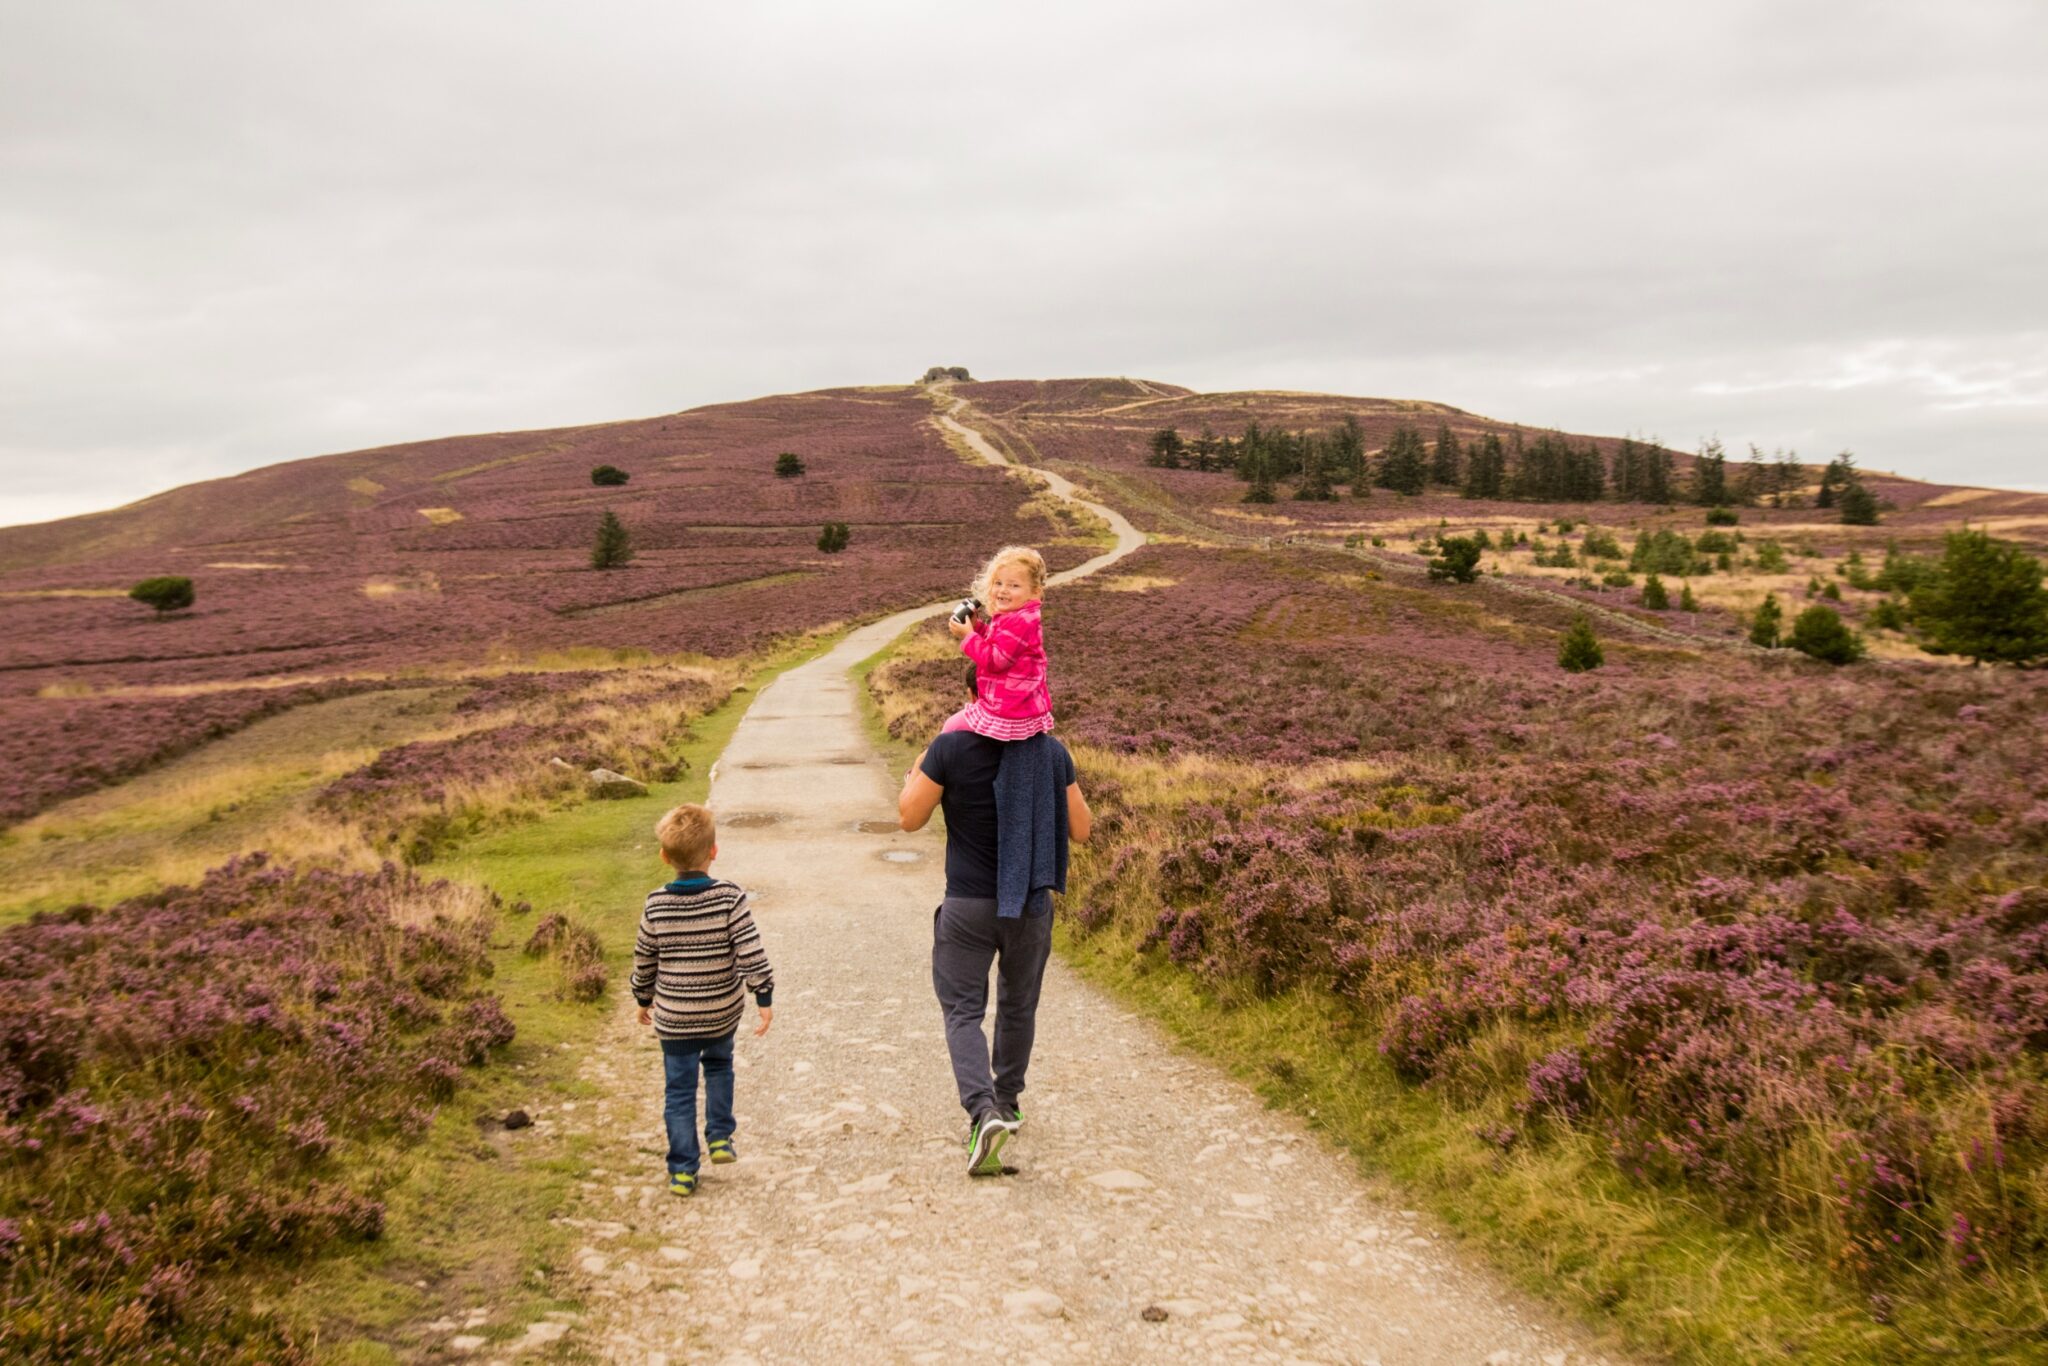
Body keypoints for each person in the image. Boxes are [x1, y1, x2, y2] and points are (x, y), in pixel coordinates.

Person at [899, 710, 1092, 1176]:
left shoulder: (950, 749)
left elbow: (909, 817)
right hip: (1030, 905)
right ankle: (1006, 1103)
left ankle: (982, 1113)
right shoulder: (1051, 753)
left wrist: (922, 762)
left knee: (962, 1010)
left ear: (974, 696)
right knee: (1018, 1005)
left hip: (968, 905)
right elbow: (1082, 830)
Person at [630, 803, 775, 1197]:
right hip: (720, 1013)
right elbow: (750, 949)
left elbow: (645, 957)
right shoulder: (729, 896)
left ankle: (682, 1169)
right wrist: (763, 994)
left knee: (678, 1092)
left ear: (664, 856)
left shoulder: (655, 903)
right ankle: (720, 1137)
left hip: (675, 1018)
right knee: (719, 1067)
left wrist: (643, 997)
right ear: (714, 851)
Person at [941, 545, 1055, 739]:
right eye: (998, 583)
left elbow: (996, 661)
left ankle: (931, 767)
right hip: (1014, 705)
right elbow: (1000, 645)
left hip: (1009, 711)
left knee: (951, 727)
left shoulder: (1020, 621)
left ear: (1035, 591)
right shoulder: (1017, 616)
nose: (1003, 591)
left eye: (1014, 585)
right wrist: (977, 627)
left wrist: (968, 636)